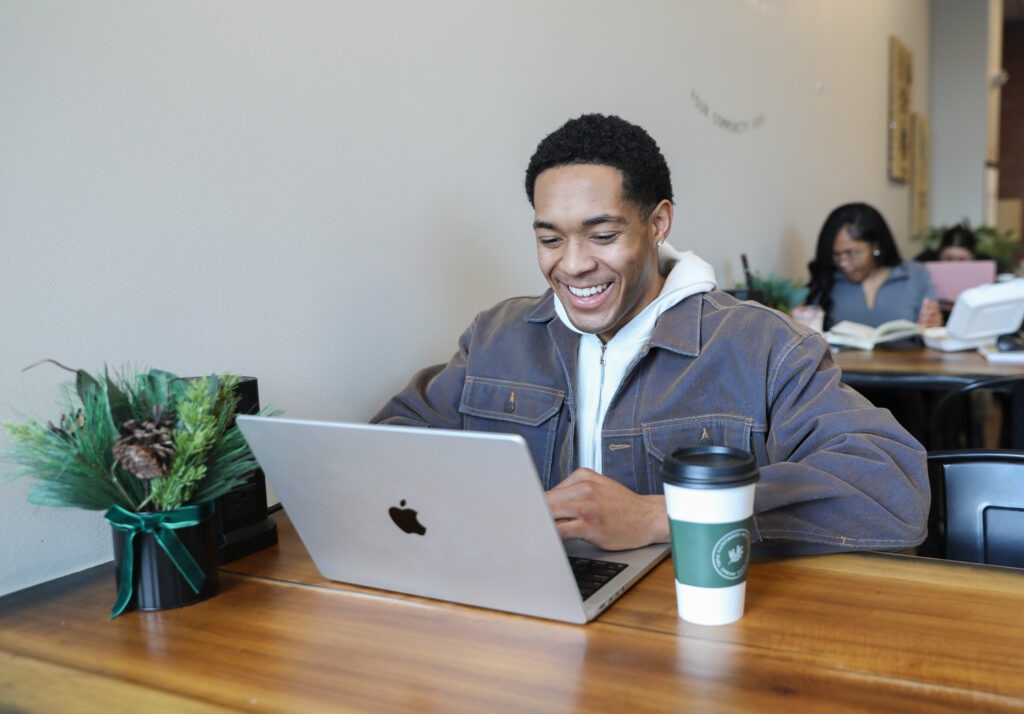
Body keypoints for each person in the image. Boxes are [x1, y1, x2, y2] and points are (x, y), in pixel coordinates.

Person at [372, 114, 929, 557]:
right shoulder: (496, 336)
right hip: (520, 617)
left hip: (691, 630)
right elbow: (386, 444)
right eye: (549, 239)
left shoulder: (761, 346)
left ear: (658, 223)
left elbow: (892, 490)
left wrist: (660, 516)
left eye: (603, 234)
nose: (573, 265)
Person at [805, 202, 942, 331]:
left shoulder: (915, 274)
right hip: (842, 357)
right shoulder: (828, 280)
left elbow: (932, 325)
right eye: (836, 255)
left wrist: (933, 324)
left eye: (852, 254)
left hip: (908, 356)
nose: (843, 263)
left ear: (876, 247)